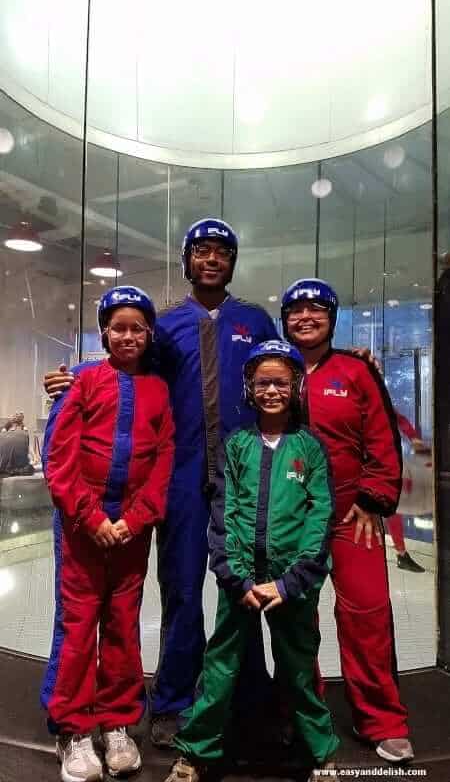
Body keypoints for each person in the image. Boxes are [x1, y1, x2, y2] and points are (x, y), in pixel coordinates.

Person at [43, 218, 279, 748]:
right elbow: (121, 364)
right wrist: (74, 377)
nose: (212, 260)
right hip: (180, 479)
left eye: (222, 251)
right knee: (180, 588)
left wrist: (354, 359)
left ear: (232, 261)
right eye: (202, 252)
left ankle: (247, 696)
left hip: (244, 481)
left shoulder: (255, 321)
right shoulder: (167, 324)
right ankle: (173, 700)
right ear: (187, 261)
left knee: (244, 591)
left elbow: (286, 377)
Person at [166, 339, 339, 782]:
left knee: (299, 673)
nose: (272, 391)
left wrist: (290, 582)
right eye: (263, 382)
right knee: (220, 668)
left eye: (281, 382)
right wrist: (235, 578)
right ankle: (196, 753)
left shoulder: (311, 449)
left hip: (291, 587)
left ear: (296, 386)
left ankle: (320, 754)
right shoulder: (237, 444)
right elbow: (224, 514)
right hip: (239, 584)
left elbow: (318, 519)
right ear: (249, 386)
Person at [41, 286, 175, 782]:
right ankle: (72, 730)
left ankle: (117, 722)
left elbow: (163, 460)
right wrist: (90, 517)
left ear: (149, 334)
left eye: (137, 328)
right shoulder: (81, 380)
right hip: (83, 529)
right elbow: (59, 459)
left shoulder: (159, 390)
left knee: (122, 625)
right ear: (103, 333)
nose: (128, 336)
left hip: (130, 533)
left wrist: (135, 520)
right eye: (118, 327)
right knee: (77, 628)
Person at [280, 278, 414, 764]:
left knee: (367, 615)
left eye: (316, 309)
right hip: (293, 519)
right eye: (295, 311)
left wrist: (374, 500)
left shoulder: (356, 371)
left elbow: (381, 439)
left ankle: (380, 717)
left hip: (350, 517)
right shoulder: (274, 371)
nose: (305, 318)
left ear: (331, 318)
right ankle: (302, 713)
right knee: (297, 622)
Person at [385, 411, 429, 573]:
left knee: (395, 502)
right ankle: (401, 554)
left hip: (384, 458)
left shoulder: (376, 396)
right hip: (370, 459)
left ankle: (401, 554)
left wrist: (414, 438)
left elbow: (399, 418)